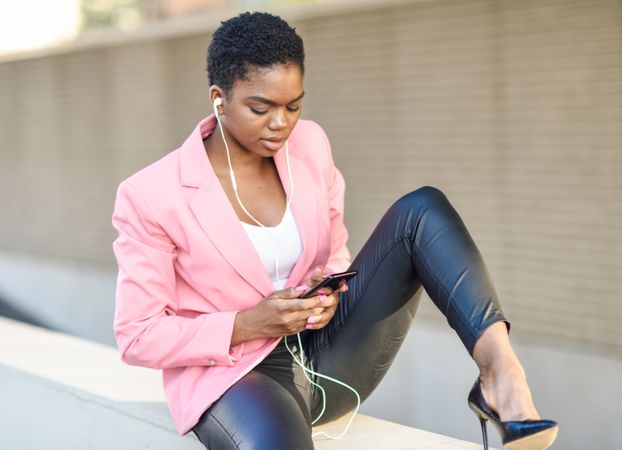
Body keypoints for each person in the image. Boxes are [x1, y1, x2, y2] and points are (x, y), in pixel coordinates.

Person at [111, 11, 558, 450]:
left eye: (294, 105)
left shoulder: (310, 144)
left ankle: (501, 375)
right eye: (261, 108)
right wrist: (246, 324)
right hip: (237, 378)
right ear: (219, 98)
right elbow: (137, 334)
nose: (281, 123)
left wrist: (325, 288)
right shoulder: (152, 194)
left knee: (422, 211)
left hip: (328, 357)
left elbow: (337, 254)